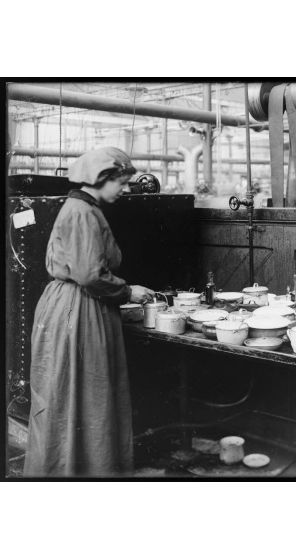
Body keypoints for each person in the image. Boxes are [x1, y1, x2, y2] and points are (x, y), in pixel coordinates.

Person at [24, 147, 154, 477]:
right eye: (122, 183)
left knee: (72, 394)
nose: (126, 190)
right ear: (102, 178)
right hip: (78, 310)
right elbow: (90, 275)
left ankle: (74, 469)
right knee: (83, 393)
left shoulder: (83, 207)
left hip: (71, 306)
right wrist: (128, 291)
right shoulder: (82, 211)